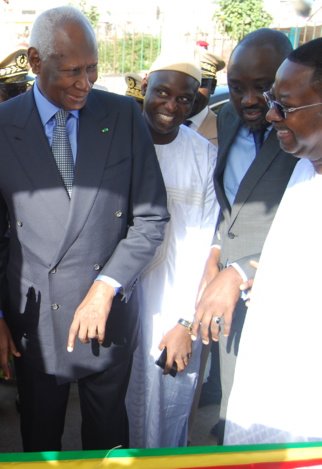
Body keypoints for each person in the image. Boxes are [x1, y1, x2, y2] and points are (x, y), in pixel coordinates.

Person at [0, 6, 169, 452]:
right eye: (72, 70)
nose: (86, 82)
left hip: (109, 312)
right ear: (35, 60)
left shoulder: (123, 116)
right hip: (36, 319)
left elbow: (151, 218)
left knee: (107, 440)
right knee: (42, 439)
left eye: (93, 68)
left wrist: (105, 288)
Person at [192, 29, 298, 444]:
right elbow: (231, 208)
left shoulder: (306, 133)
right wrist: (216, 254)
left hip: (285, 295)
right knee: (234, 398)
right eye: (238, 88)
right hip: (228, 296)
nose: (250, 100)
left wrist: (238, 269)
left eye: (263, 87)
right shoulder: (230, 118)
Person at [225, 37, 322, 445]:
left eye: (285, 105)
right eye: (271, 100)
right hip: (268, 394)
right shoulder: (305, 167)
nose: (271, 114)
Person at [125, 53, 218, 448]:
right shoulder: (118, 143)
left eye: (184, 99)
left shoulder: (204, 155)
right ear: (145, 87)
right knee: (117, 408)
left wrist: (185, 322)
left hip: (177, 304)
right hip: (123, 302)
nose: (171, 105)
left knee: (170, 404)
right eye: (162, 92)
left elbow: (205, 245)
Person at [184, 51, 225, 147]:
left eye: (201, 84)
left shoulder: (224, 133)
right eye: (186, 83)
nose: (191, 91)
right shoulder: (159, 126)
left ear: (213, 86)